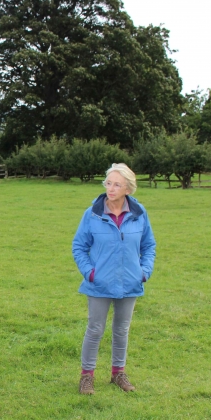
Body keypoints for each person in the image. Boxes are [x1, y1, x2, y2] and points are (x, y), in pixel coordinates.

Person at [71, 163, 156, 395]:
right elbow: (79, 246)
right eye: (108, 183)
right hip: (99, 283)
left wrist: (144, 271)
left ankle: (118, 373)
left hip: (130, 282)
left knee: (122, 329)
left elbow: (149, 245)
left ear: (128, 188)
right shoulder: (92, 214)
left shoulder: (139, 213)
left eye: (117, 184)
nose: (111, 188)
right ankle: (87, 377)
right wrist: (90, 273)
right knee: (95, 329)